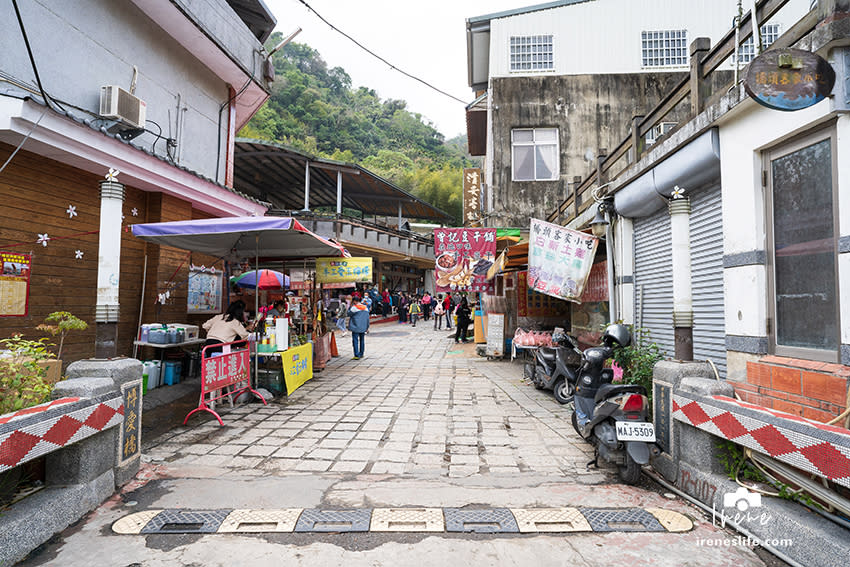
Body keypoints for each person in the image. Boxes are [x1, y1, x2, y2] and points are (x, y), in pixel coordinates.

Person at [347, 292, 370, 359]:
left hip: (355, 327)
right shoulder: (365, 307)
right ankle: (361, 353)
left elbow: (348, 314)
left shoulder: (354, 308)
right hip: (363, 327)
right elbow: (367, 318)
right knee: (362, 340)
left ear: (354, 301)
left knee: (355, 341)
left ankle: (356, 355)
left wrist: (350, 306)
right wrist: (367, 327)